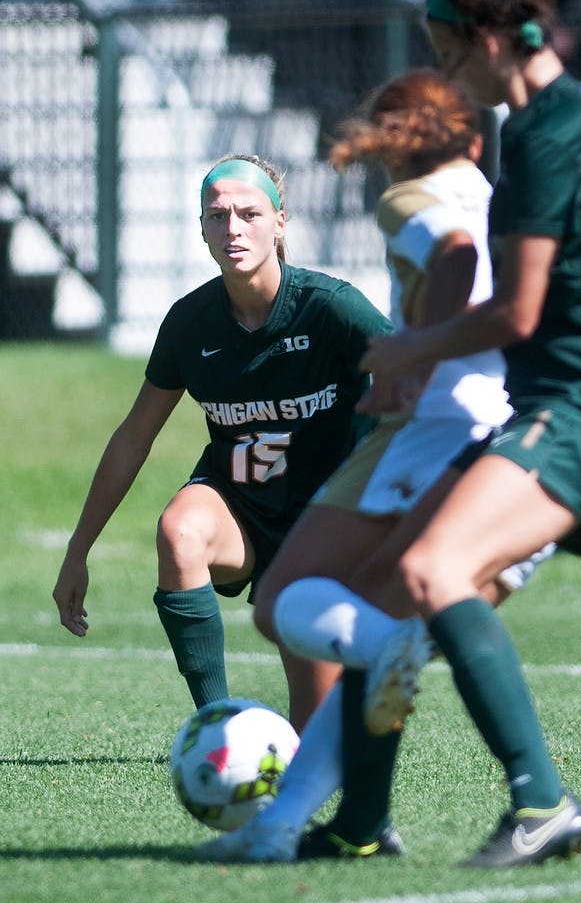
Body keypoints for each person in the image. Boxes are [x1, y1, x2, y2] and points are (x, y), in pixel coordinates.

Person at [205, 0, 581, 869]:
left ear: (491, 39)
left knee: (422, 581)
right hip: (575, 402)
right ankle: (353, 820)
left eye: (450, 52)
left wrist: (398, 353)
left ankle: (540, 801)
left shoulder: (544, 135)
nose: (448, 76)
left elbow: (516, 313)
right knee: (396, 605)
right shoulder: (573, 119)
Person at [196, 68, 555, 865]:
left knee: (284, 601)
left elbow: (454, 259)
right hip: (511, 425)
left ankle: (376, 694)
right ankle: (307, 824)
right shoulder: (490, 189)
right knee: (375, 631)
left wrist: (417, 354)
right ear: (468, 136)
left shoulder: (407, 198)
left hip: (433, 430)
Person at [51, 153, 393, 732]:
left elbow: (413, 378)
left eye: (249, 213)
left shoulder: (330, 307)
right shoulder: (190, 323)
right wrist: (77, 549)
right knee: (179, 530)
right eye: (217, 216)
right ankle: (217, 730)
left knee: (318, 718)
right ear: (202, 229)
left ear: (280, 221)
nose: (233, 228)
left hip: (325, 519)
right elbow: (134, 438)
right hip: (242, 507)